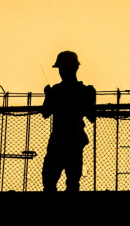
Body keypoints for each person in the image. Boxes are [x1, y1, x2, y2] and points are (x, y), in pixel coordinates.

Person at [41, 51, 96, 192]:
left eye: (63, 68)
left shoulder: (58, 91)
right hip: (72, 140)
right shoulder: (83, 91)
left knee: (58, 180)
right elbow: (92, 117)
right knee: (63, 180)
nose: (62, 72)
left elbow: (45, 113)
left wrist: (49, 97)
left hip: (62, 140)